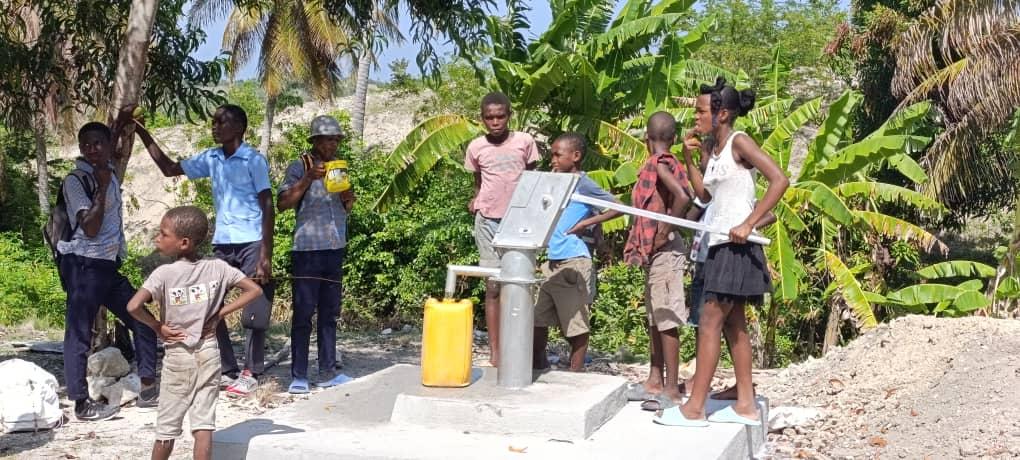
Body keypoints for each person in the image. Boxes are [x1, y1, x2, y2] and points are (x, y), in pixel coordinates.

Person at [655, 77, 789, 427]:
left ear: (723, 113)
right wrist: (689, 158)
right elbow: (705, 196)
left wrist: (749, 223)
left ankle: (695, 407)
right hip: (717, 243)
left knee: (709, 323)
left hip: (735, 246)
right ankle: (746, 404)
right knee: (735, 326)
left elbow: (780, 180)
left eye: (701, 111)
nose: (696, 116)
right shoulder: (714, 150)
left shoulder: (739, 143)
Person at [135, 104, 275, 397]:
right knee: (209, 306)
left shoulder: (253, 160)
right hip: (223, 242)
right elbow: (169, 169)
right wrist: (142, 132)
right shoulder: (211, 158)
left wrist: (265, 254)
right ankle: (227, 369)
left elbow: (267, 204)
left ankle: (252, 371)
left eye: (221, 122)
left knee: (255, 310)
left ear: (239, 128)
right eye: (213, 122)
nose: (214, 127)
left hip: (251, 241)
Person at [126, 206, 263, 460]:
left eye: (163, 234)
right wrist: (220, 312)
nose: (158, 238)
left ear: (184, 243)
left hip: (178, 356)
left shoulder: (163, 274)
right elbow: (254, 290)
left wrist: (157, 326)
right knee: (203, 425)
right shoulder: (218, 268)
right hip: (209, 351)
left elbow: (133, 306)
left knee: (167, 428)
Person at [58, 118, 158, 421]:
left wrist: (128, 120)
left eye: (98, 143)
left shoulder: (110, 168)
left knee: (143, 320)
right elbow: (89, 227)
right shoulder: (76, 180)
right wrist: (101, 189)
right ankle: (80, 403)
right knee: (78, 333)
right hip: (84, 265)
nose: (92, 149)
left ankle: (148, 387)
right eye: (86, 145)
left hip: (108, 266)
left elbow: (111, 139)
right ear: (79, 148)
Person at [277, 115, 356, 393]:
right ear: (315, 141)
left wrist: (348, 195)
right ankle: (298, 374)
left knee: (330, 313)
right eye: (327, 139)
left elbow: (347, 206)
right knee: (303, 313)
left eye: (336, 139)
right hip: (307, 250)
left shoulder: (340, 168)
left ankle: (328, 370)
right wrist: (308, 179)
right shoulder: (300, 166)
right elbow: (283, 203)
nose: (332, 144)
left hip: (335, 247)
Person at [621, 112, 693, 409]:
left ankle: (672, 389)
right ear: (673, 139)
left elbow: (683, 197)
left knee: (666, 319)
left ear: (645, 139)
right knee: (655, 319)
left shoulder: (658, 164)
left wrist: (665, 229)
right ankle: (654, 379)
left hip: (666, 251)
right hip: (657, 254)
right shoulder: (668, 162)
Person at [532, 133, 621, 372]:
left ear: (576, 156)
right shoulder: (555, 181)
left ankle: (576, 371)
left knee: (575, 321)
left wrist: (584, 224)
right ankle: (537, 365)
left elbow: (618, 207)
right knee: (538, 318)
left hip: (574, 259)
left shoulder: (582, 182)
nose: (553, 160)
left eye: (557, 155)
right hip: (552, 260)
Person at [464, 91, 540, 367]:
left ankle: (518, 349)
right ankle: (496, 353)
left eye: (500, 116)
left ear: (509, 115)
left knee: (518, 285)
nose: (495, 122)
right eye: (489, 117)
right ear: (482, 119)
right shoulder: (476, 147)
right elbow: (478, 178)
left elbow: (534, 177)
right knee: (493, 286)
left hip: (519, 221)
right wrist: (476, 199)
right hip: (488, 220)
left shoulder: (524, 142)